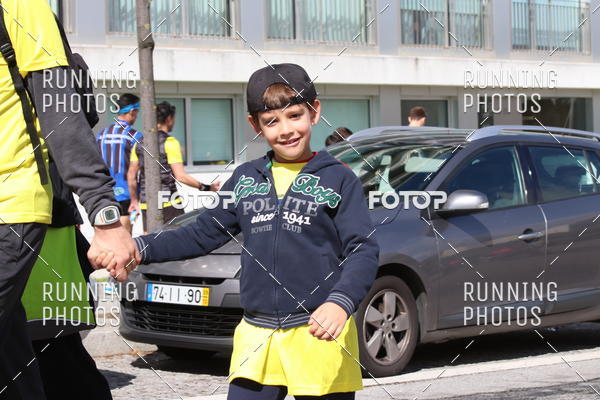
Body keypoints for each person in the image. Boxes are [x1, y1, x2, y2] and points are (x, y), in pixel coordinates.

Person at [98, 63, 380, 399]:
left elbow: (362, 249)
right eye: (271, 121)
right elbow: (202, 233)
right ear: (255, 125)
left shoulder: (339, 178)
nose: (286, 130)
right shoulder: (245, 178)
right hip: (256, 335)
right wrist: (139, 247)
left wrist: (340, 302)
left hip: (319, 331)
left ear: (314, 112)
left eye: (295, 116)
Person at [0, 1, 138, 398]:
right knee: (21, 356)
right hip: (49, 225)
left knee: (58, 353)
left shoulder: (20, 6)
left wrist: (106, 218)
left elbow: (63, 114)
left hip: (17, 212)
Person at [127, 101, 220, 233]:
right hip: (169, 204)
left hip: (146, 204)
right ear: (169, 118)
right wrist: (207, 187)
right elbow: (180, 176)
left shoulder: (139, 143)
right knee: (179, 239)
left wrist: (134, 201)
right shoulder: (170, 142)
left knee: (150, 239)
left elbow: (131, 175)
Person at [96, 93, 143, 233]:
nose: (137, 116)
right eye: (137, 112)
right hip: (125, 194)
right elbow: (134, 172)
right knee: (125, 238)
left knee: (106, 237)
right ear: (132, 111)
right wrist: (135, 199)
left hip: (103, 193)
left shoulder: (101, 135)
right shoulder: (135, 136)